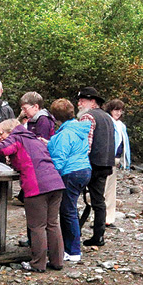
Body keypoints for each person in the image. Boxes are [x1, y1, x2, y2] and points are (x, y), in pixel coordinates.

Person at [0, 119, 64, 272]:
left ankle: (38, 264)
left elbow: (4, 149)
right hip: (55, 183)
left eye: (0, 133)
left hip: (36, 185)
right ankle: (57, 261)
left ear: (9, 131)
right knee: (52, 224)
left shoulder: (16, 137)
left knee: (37, 226)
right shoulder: (33, 138)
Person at [47, 98, 92, 263]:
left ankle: (72, 250)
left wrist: (50, 177)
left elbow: (59, 158)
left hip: (71, 172)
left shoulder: (65, 133)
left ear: (56, 117)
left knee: (67, 211)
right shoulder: (79, 128)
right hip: (84, 170)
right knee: (70, 209)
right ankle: (71, 246)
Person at [75, 87, 114, 248]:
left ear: (92, 102)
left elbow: (86, 144)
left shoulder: (88, 116)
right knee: (99, 202)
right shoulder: (108, 117)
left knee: (70, 198)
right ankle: (98, 236)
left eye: (82, 100)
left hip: (90, 164)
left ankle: (72, 233)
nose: (79, 103)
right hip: (106, 164)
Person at [103, 99, 131, 228]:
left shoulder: (121, 125)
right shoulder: (107, 122)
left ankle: (109, 218)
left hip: (116, 159)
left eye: (120, 110)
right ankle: (99, 217)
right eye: (116, 110)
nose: (118, 113)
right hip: (105, 159)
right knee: (102, 189)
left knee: (111, 190)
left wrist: (126, 161)